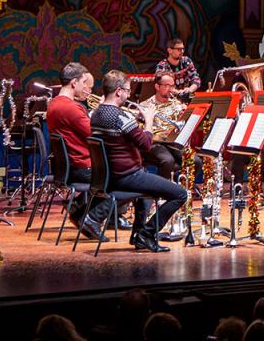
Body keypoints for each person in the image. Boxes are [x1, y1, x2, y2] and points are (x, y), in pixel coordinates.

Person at [90, 70, 187, 252]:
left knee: (148, 192)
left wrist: (135, 121)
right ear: (118, 91)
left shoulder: (96, 114)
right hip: (127, 176)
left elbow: (122, 135)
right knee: (180, 194)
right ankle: (147, 234)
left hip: (111, 175)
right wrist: (148, 121)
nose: (128, 94)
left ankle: (138, 236)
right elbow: (146, 144)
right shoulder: (120, 116)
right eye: (127, 90)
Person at [45, 62, 109, 240]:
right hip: (82, 166)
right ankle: (90, 217)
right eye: (83, 83)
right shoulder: (71, 107)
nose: (85, 88)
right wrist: (104, 110)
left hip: (71, 166)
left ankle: (80, 209)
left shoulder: (55, 103)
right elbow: (95, 134)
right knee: (126, 175)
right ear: (74, 83)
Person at [139, 72, 202, 182]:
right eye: (167, 86)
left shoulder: (176, 103)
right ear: (157, 86)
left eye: (172, 86)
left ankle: (182, 187)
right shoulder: (146, 105)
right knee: (168, 161)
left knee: (196, 161)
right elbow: (142, 132)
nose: (171, 89)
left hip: (173, 143)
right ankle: (160, 193)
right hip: (155, 143)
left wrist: (186, 114)